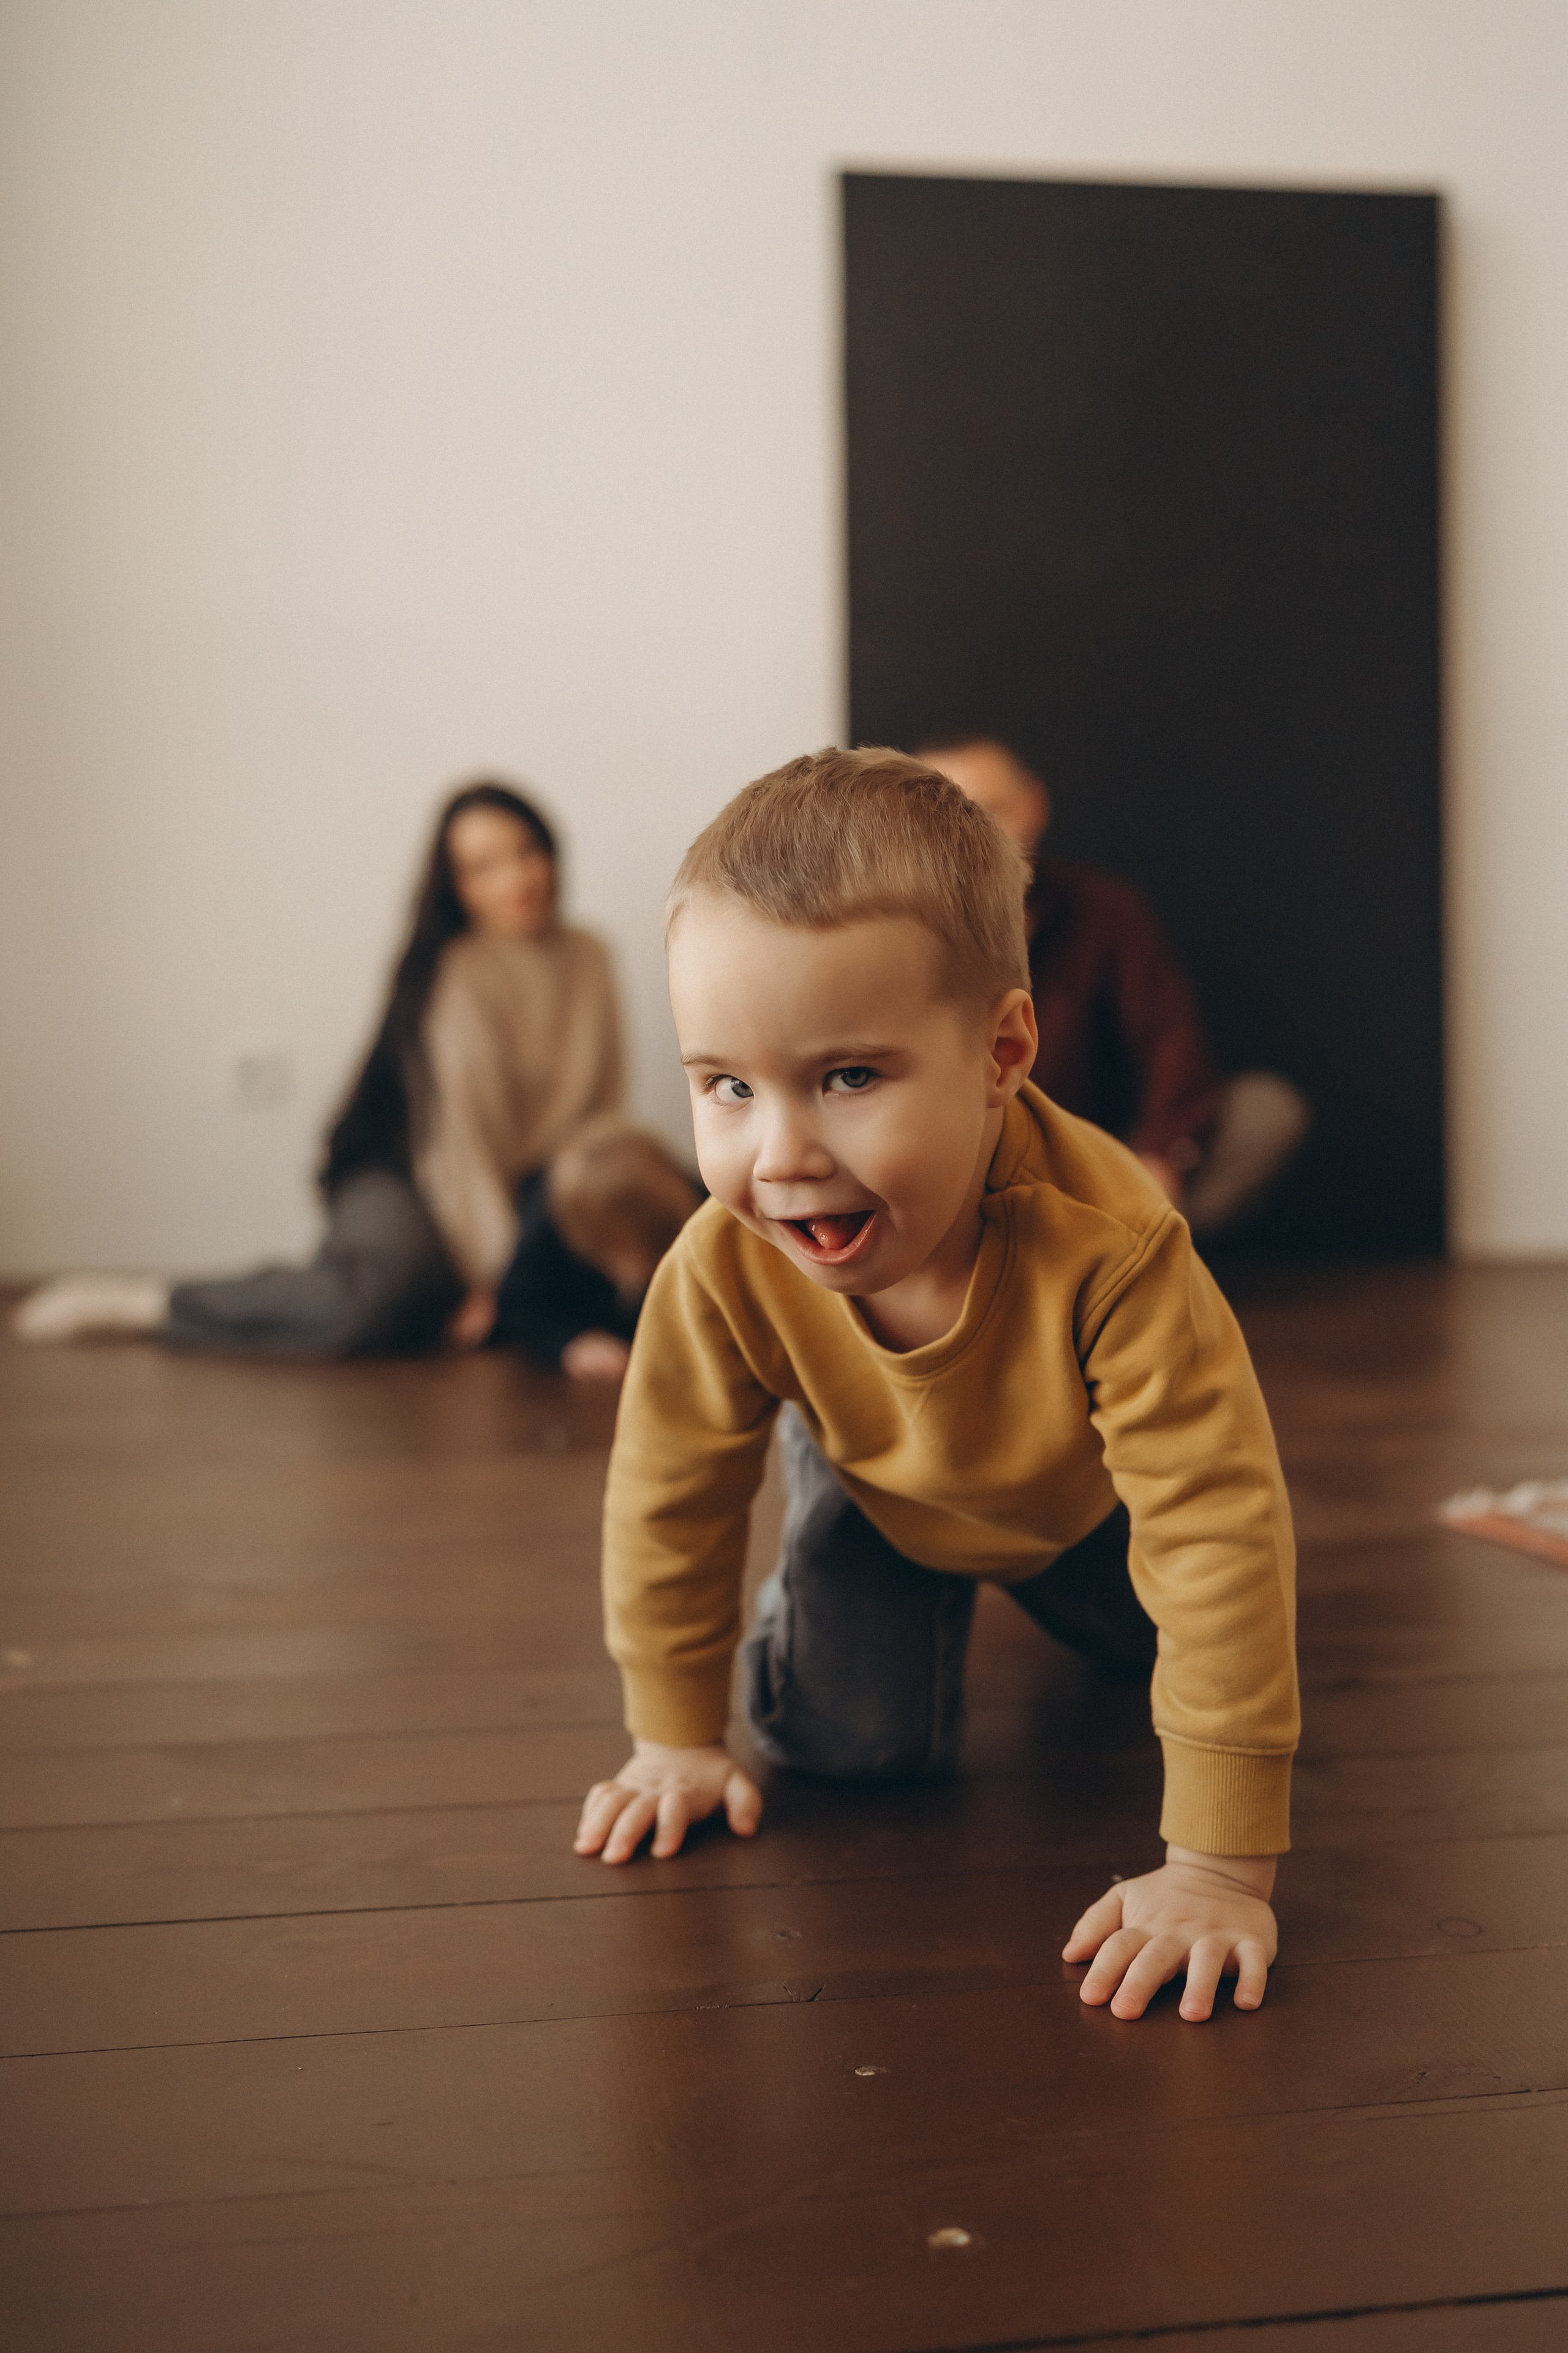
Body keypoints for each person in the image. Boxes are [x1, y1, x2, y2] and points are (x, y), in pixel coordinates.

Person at [575, 747, 1298, 2027]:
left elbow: (1214, 1533)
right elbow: (668, 1490)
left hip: (1086, 1502)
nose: (782, 1155)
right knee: (847, 1750)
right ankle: (827, 1549)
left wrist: (1215, 1867)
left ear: (999, 1050)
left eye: (847, 1077)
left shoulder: (1115, 1246)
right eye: (725, 1088)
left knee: (1175, 1649)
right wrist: (673, 1735)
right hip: (877, 1485)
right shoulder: (724, 1263)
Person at [15, 779, 628, 1364]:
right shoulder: (454, 974)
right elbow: (458, 1150)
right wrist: (507, 1283)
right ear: (456, 887)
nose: (517, 879)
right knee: (382, 1300)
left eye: (526, 852)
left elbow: (599, 1118)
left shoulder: (592, 955)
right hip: (400, 1170)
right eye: (483, 867)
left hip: (510, 1190)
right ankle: (153, 1304)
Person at [917, 735, 1310, 1236]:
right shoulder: (900, 931)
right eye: (952, 815)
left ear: (1035, 805)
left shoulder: (1104, 911)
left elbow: (1172, 1040)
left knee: (1266, 1110)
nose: (979, 835)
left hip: (1090, 1163)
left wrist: (1163, 1156)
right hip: (955, 1164)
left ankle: (1133, 1249)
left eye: (994, 809)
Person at [496, 1117, 704, 1382]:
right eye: (620, 1257)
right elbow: (518, 1305)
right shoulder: (549, 1226)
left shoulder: (705, 1209)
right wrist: (571, 1343)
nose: (641, 1274)